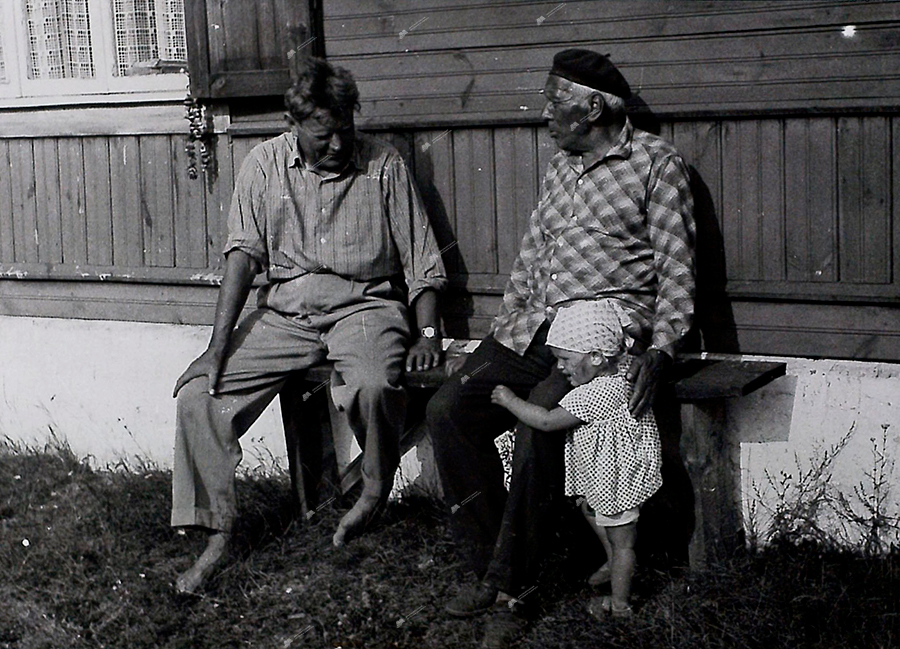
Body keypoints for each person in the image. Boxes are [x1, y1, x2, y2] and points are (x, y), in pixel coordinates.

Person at [425, 48, 694, 648]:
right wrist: (500, 330)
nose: (543, 111)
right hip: (533, 329)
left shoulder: (655, 164)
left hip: (598, 337)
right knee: (448, 411)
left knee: (539, 428)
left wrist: (664, 347)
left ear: (592, 106)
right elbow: (530, 259)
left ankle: (512, 590)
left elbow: (676, 267)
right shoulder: (559, 169)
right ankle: (491, 566)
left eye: (554, 100)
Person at [170, 57, 447, 594]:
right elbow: (242, 259)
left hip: (363, 308)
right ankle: (217, 530)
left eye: (345, 130)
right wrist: (215, 349)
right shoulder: (263, 166)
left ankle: (372, 491)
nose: (339, 145)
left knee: (371, 385)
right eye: (324, 136)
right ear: (292, 124)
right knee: (199, 396)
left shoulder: (384, 166)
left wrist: (428, 333)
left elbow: (422, 261)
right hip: (284, 314)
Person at [490, 299, 663, 620]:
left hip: (617, 480)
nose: (560, 367)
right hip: (610, 471)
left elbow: (544, 420)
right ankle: (613, 561)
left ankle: (621, 604)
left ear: (597, 357)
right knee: (590, 509)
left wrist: (509, 400)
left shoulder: (594, 393)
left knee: (623, 541)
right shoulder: (621, 370)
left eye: (565, 359)